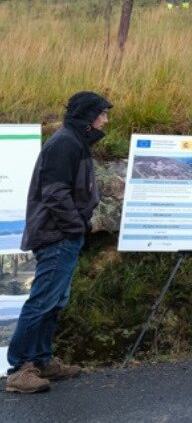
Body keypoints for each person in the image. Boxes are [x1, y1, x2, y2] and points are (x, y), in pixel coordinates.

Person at [4, 92, 112, 394]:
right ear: (87, 117)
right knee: (43, 300)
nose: (105, 120)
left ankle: (41, 359)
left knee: (55, 300)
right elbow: (54, 193)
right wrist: (75, 227)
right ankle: (20, 368)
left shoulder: (74, 142)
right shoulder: (65, 143)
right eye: (102, 114)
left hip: (62, 234)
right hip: (57, 236)